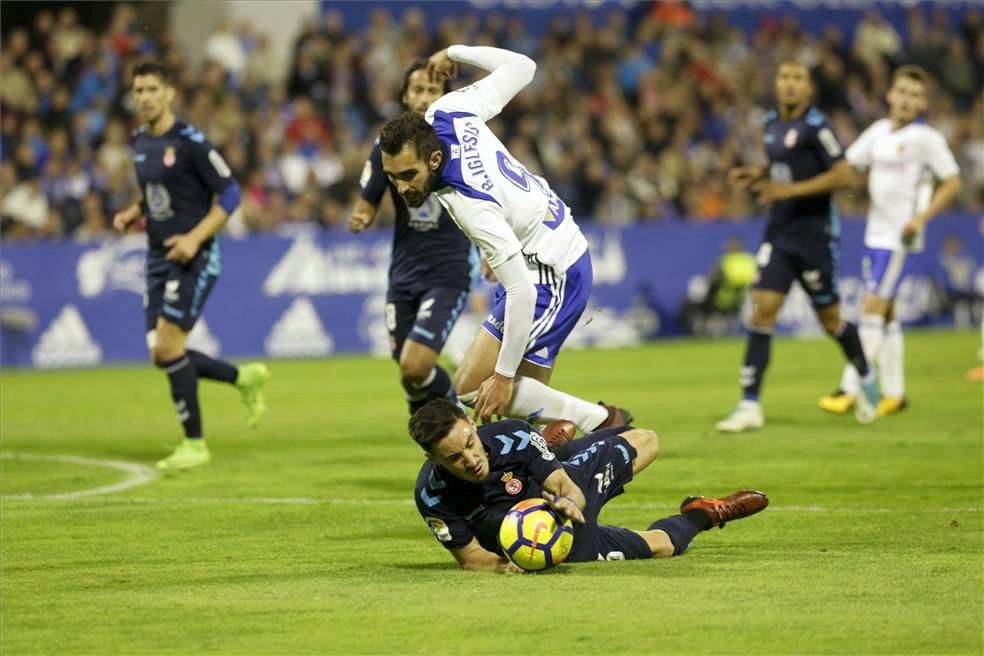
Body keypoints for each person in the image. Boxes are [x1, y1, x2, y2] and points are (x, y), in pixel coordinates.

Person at [378, 45, 631, 434]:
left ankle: (599, 421)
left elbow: (523, 292)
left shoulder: (469, 204)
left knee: (484, 389)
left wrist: (503, 376)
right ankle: (561, 449)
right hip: (539, 240)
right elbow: (523, 66)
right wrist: (456, 52)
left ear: (432, 161)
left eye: (408, 175)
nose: (400, 188)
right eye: (392, 176)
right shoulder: (448, 112)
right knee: (512, 408)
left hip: (551, 270)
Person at [112, 60, 269, 470]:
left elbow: (230, 195)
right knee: (162, 354)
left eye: (152, 89)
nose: (144, 97)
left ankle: (194, 444)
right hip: (157, 257)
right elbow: (154, 192)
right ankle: (244, 379)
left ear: (169, 94)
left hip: (196, 256)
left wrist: (196, 238)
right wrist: (134, 211)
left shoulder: (190, 141)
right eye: (138, 90)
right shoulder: (139, 141)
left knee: (168, 348)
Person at [411, 399, 768, 571]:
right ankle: (705, 514)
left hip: (559, 498)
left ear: (472, 425)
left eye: (470, 444)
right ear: (434, 460)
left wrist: (569, 502)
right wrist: (518, 564)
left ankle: (552, 450)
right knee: (661, 547)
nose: (471, 459)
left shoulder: (511, 436)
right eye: (455, 458)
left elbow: (568, 488)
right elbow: (471, 558)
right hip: (558, 544)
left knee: (646, 440)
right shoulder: (431, 494)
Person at [715, 61, 879, 433]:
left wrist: (788, 190)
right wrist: (758, 173)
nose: (789, 84)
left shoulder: (817, 127)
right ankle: (749, 404)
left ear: (809, 89)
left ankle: (867, 377)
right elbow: (786, 166)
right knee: (763, 310)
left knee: (831, 320)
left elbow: (843, 174)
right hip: (779, 232)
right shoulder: (772, 123)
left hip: (815, 236)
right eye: (784, 77)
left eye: (797, 79)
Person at [818, 66, 962, 418]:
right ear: (890, 95)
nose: (906, 99)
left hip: (900, 237)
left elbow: (953, 182)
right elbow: (849, 165)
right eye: (902, 92)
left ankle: (850, 387)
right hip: (875, 233)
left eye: (915, 95)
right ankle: (895, 393)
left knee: (871, 309)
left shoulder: (927, 139)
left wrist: (921, 218)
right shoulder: (879, 132)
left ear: (923, 102)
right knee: (888, 316)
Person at [348, 60, 477, 415]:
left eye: (432, 90)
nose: (423, 98)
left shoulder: (460, 142)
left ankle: (459, 420)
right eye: (417, 90)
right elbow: (368, 196)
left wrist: (491, 249)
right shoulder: (386, 146)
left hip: (449, 268)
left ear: (444, 96)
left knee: (416, 366)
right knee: (407, 367)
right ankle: (441, 430)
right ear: (404, 95)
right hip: (403, 269)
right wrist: (362, 213)